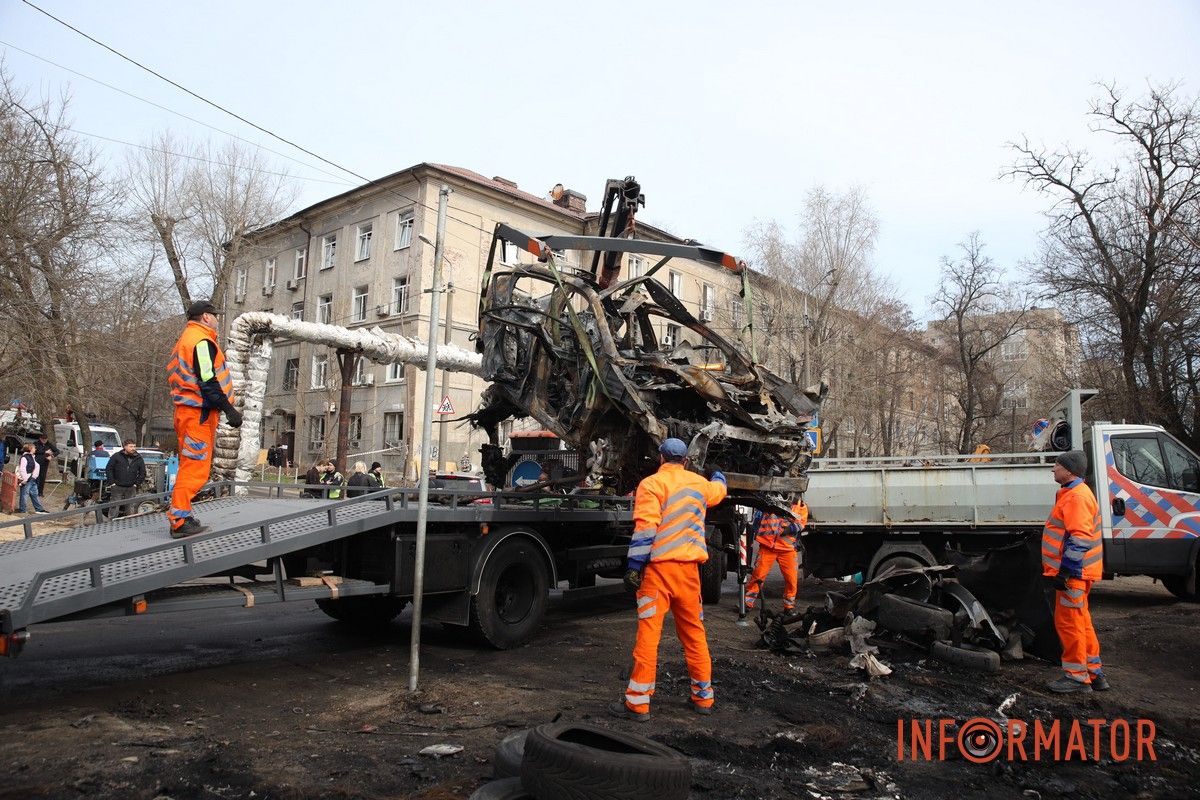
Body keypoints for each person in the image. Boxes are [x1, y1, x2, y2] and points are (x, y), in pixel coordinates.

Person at [614, 438, 727, 721]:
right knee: (694, 634)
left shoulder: (651, 485)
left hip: (658, 573)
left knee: (649, 636)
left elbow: (646, 528)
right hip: (689, 574)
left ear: (661, 458)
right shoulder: (700, 485)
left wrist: (634, 566)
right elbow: (719, 492)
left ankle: (638, 704)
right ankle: (703, 698)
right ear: (686, 461)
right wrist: (718, 473)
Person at [165, 300, 242, 539]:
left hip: (189, 413)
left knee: (191, 464)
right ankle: (179, 520)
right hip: (198, 414)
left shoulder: (187, 338)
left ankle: (183, 515)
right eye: (215, 315)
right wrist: (229, 410)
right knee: (195, 468)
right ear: (206, 317)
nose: (218, 319)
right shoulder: (201, 342)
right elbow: (208, 381)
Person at [1042, 449, 1108, 693]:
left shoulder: (1076, 497)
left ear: (1068, 470)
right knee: (1082, 622)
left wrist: (1066, 572)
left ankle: (1077, 678)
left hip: (1074, 575)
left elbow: (1079, 538)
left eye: (1056, 465)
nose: (1053, 469)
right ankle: (1094, 673)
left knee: (1069, 624)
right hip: (1079, 574)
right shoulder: (1076, 494)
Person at [744, 496, 804, 613]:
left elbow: (801, 523)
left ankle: (789, 607)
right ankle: (747, 603)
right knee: (758, 575)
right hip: (767, 545)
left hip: (787, 549)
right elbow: (757, 518)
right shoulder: (767, 499)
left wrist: (790, 529)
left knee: (791, 579)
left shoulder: (800, 505)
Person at [106, 440, 147, 518]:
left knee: (130, 507)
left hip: (131, 487)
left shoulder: (138, 458)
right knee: (114, 506)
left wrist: (136, 484)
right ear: (125, 447)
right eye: (131, 446)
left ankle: (130, 522)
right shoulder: (117, 456)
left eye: (134, 446)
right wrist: (112, 483)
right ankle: (111, 522)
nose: (133, 448)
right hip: (117, 486)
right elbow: (109, 469)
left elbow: (143, 472)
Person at [16, 443, 49, 514]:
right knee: (25, 494)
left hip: (32, 479)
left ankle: (39, 509)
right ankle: (23, 510)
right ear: (30, 449)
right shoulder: (25, 457)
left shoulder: (32, 456)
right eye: (34, 448)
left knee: (34, 494)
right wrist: (25, 479)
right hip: (28, 478)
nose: (35, 449)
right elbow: (22, 469)